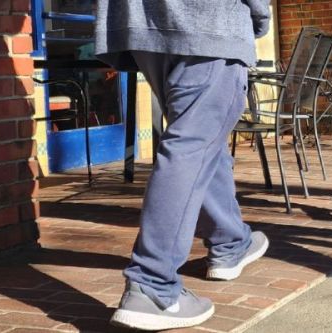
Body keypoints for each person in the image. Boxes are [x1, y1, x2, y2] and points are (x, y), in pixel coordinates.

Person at [94, 0, 271, 330]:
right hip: (208, 19)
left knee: (200, 139)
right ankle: (152, 285)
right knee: (190, 146)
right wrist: (257, 16)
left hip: (143, 23)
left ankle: (230, 243)